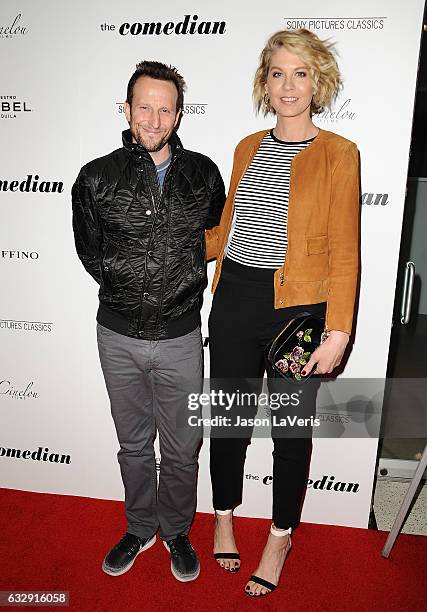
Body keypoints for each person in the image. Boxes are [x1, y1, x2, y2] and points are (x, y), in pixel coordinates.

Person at [205, 29, 360, 596]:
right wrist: (170, 235)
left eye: (300, 73)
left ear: (317, 82)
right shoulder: (247, 146)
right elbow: (227, 230)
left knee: (291, 431)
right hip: (235, 301)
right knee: (229, 420)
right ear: (263, 83)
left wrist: (339, 328)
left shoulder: (341, 154)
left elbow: (345, 249)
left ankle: (280, 533)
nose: (288, 84)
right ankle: (222, 514)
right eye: (277, 73)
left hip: (300, 313)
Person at [72, 60, 225, 582]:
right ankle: (140, 527)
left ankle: (176, 530)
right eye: (145, 107)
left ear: (179, 114)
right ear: (128, 110)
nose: (154, 119)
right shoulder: (95, 177)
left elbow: (213, 234)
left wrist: (176, 280)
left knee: (183, 448)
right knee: (134, 445)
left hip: (183, 336)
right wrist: (127, 284)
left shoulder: (203, 173)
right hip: (117, 335)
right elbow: (90, 254)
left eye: (165, 108)